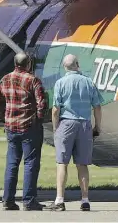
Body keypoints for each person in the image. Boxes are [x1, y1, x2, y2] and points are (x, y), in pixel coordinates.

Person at [0, 51, 47, 211]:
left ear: (15, 63)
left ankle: (8, 200)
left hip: (11, 127)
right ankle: (29, 201)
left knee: (12, 163)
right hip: (29, 127)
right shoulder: (33, 80)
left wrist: (5, 116)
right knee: (30, 164)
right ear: (28, 64)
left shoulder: (5, 79)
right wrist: (38, 119)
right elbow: (42, 104)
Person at [47, 54, 103, 211]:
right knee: (82, 164)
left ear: (65, 67)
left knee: (62, 163)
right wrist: (98, 126)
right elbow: (97, 106)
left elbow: (56, 109)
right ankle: (85, 200)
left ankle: (59, 200)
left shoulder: (60, 83)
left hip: (66, 123)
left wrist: (56, 127)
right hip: (84, 124)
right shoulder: (88, 82)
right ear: (77, 65)